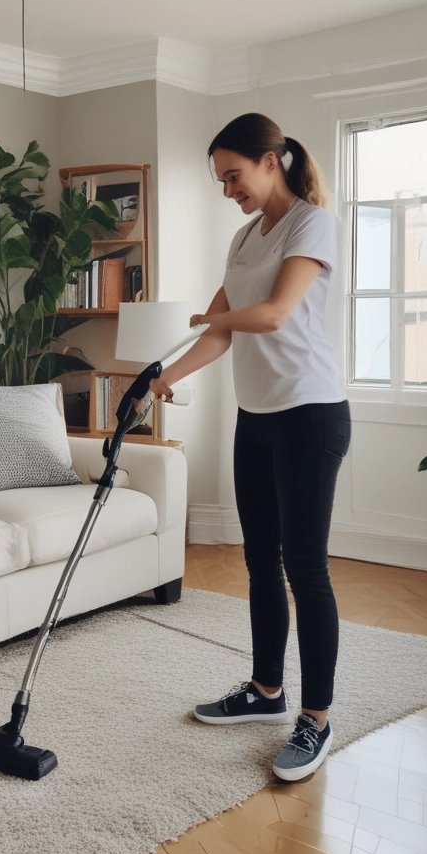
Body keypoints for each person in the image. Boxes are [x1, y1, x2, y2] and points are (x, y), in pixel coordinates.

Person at [150, 113, 350, 782]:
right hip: (258, 418)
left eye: (234, 175)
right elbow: (219, 333)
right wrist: (163, 377)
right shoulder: (243, 237)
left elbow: (269, 315)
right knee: (260, 562)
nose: (228, 189)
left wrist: (216, 316)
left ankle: (317, 720)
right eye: (221, 180)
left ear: (273, 162)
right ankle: (267, 692)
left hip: (311, 415)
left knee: (306, 570)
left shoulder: (311, 223)